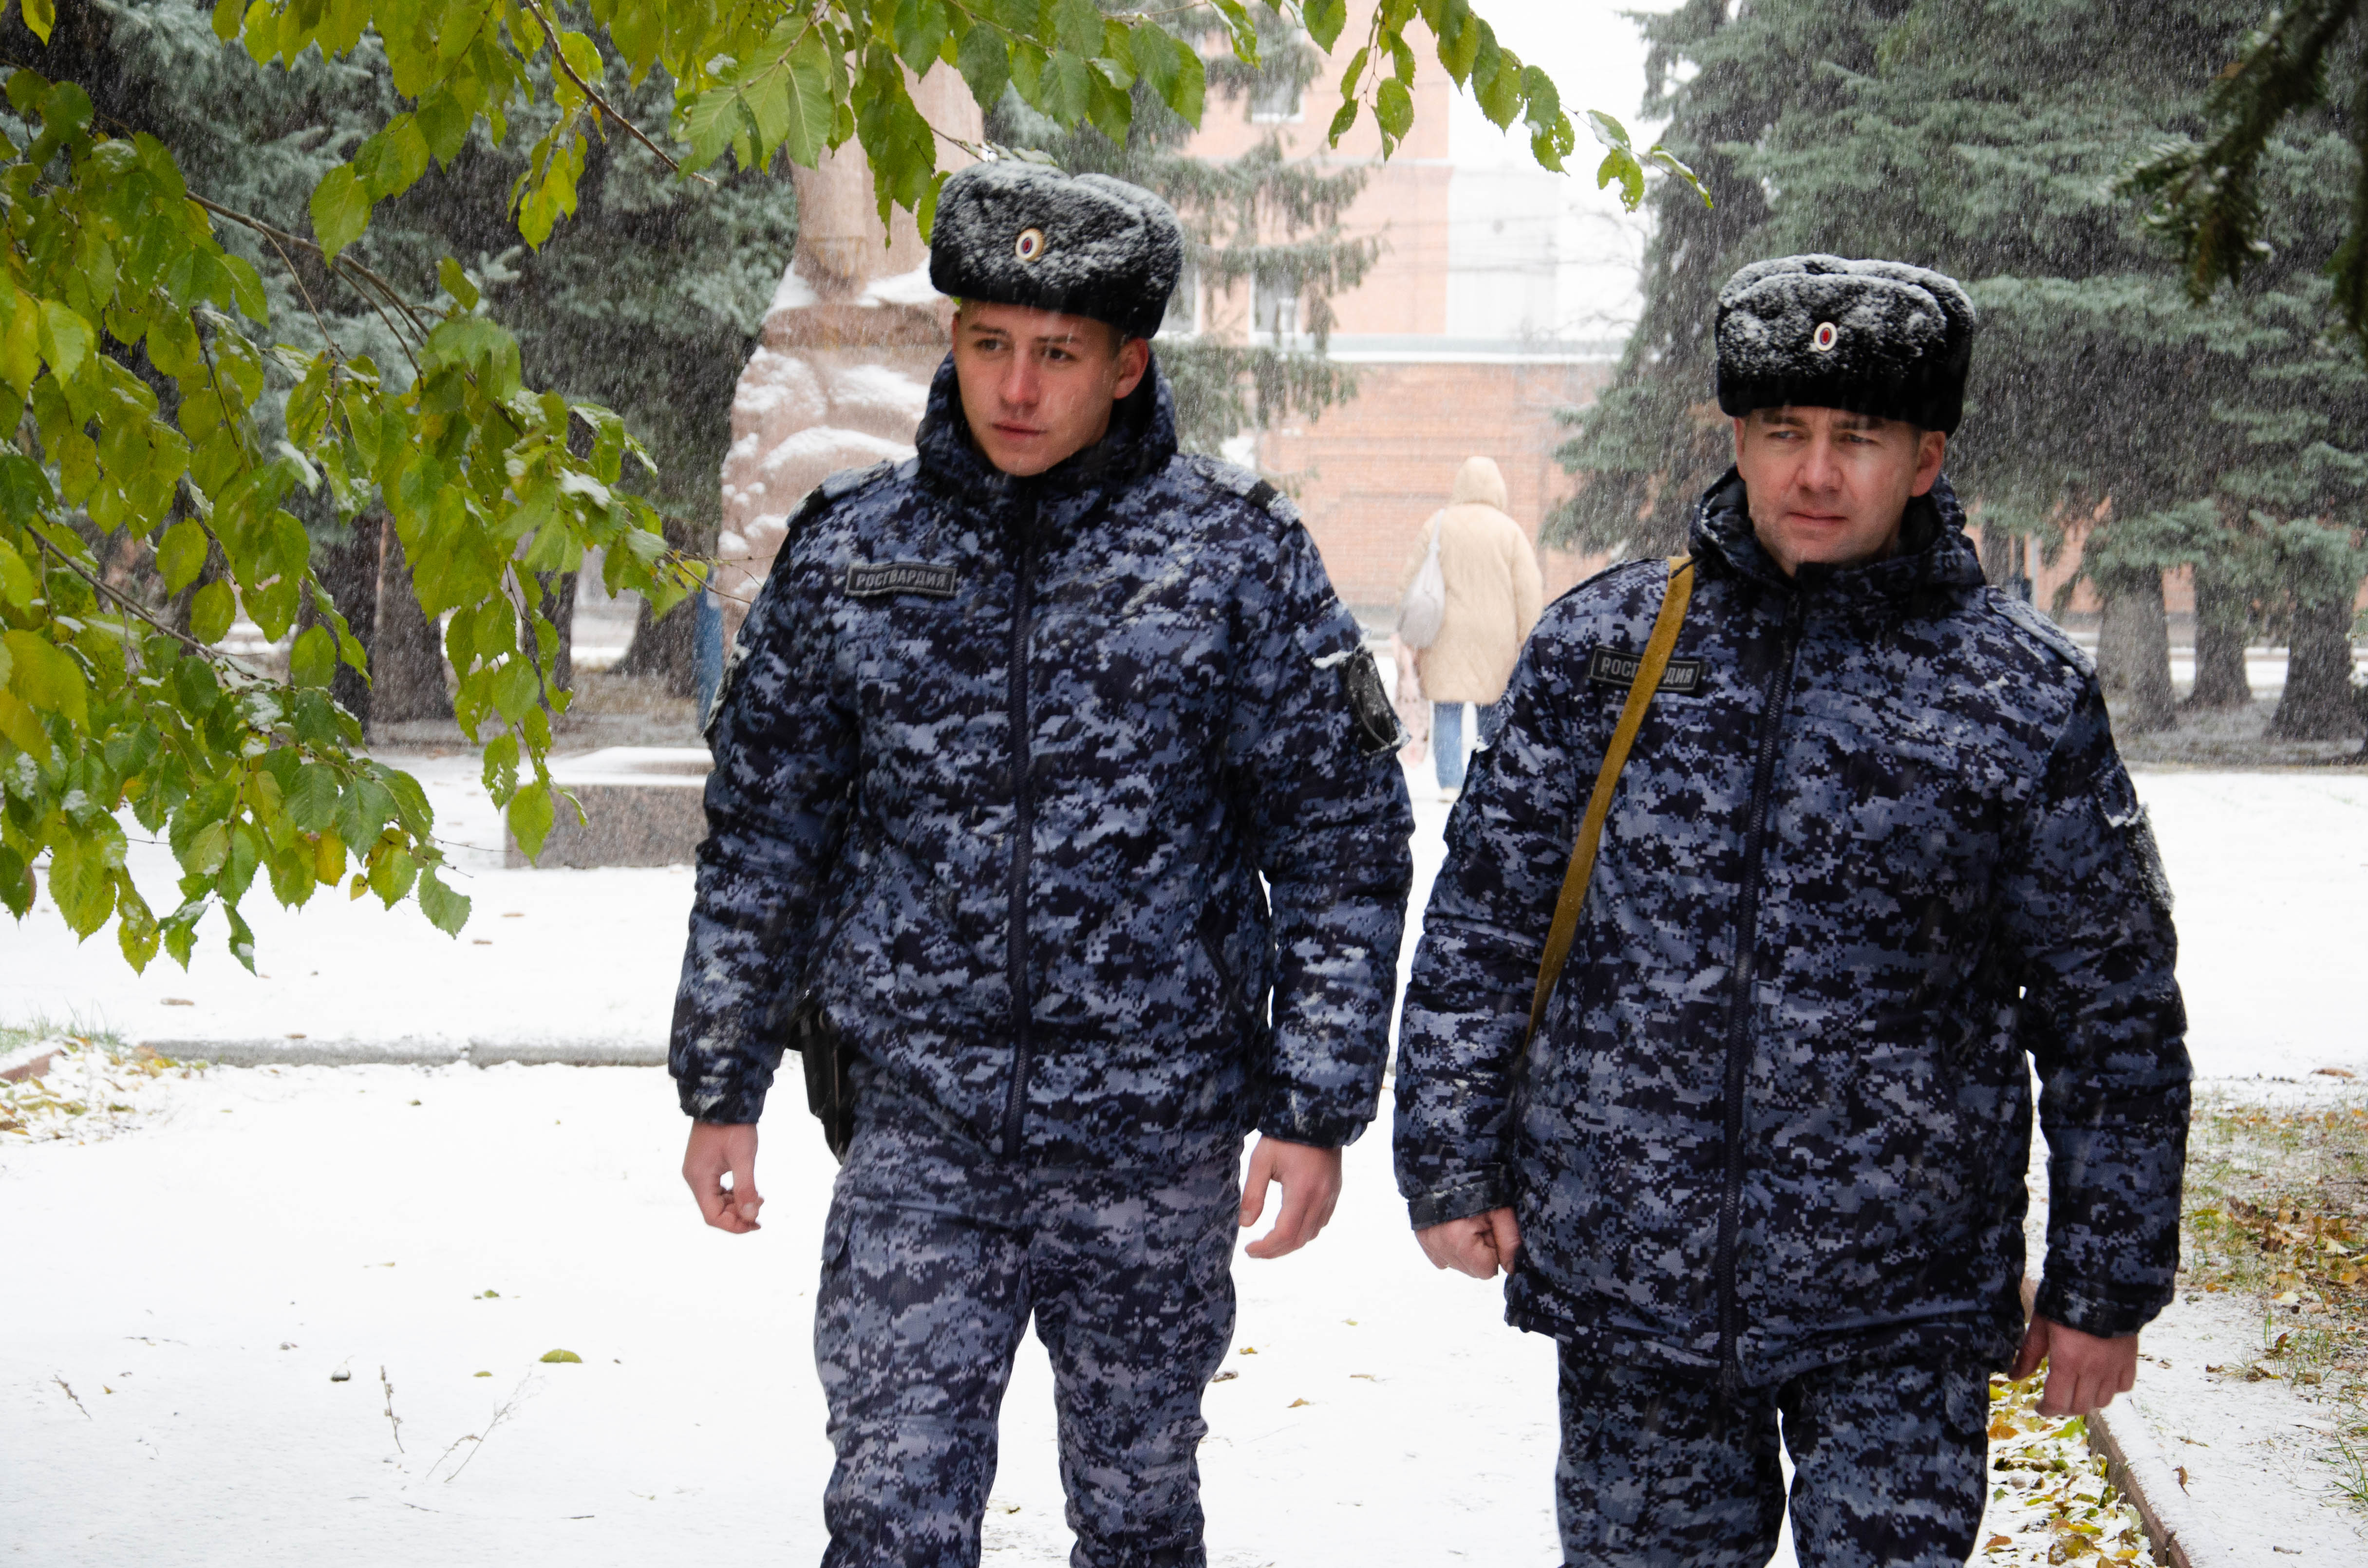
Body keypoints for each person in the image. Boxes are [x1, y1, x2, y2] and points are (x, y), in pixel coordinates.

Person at [669, 159, 1414, 1568]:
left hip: (1148, 1139)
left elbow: (1338, 840)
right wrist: (721, 1078)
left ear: (1127, 363)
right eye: (987, 344)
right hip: (919, 1130)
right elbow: (767, 826)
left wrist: (1313, 1106)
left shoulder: (1231, 559)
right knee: (888, 1515)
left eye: (1056, 354)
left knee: (1136, 1521)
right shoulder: (854, 553)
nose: (1015, 388)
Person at [1392, 254, 2189, 1568]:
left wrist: (2105, 1282)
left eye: (1855, 438)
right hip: (1633, 1280)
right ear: (1740, 441)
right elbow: (1485, 923)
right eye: (1782, 434)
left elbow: (2109, 1012)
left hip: (1901, 1305)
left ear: (1924, 458)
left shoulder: (2017, 697)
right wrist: (1448, 1158)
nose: (1813, 473)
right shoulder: (1605, 650)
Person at [1398, 456, 1544, 799]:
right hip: (1497, 634)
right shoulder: (1509, 531)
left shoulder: (1438, 525)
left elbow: (1410, 581)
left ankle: (1450, 782)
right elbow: (1529, 589)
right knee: (1491, 708)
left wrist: (1408, 631)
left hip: (1445, 632)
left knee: (1447, 709)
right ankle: (1486, 779)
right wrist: (1529, 636)